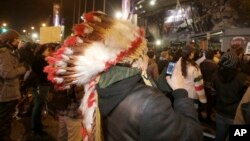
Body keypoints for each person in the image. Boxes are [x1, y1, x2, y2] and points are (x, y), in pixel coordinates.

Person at [44, 11, 203, 141]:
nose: (148, 58)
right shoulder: (151, 102)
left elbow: (142, 96)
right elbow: (192, 136)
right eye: (145, 54)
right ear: (136, 62)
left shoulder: (101, 84)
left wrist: (164, 83)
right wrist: (181, 94)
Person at [212, 52, 250, 141]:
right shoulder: (243, 78)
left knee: (219, 136)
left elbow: (213, 93)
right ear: (235, 63)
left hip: (220, 112)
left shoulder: (215, 75)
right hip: (235, 115)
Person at [0, 29, 29, 141]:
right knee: (4, 121)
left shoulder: (10, 52)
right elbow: (7, 73)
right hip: (6, 93)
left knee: (6, 120)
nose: (19, 42)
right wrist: (23, 69)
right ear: (11, 40)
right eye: (17, 39)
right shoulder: (5, 53)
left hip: (8, 92)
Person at [180, 45, 207, 112]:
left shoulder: (179, 65)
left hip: (182, 93)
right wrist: (203, 99)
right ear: (191, 53)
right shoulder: (194, 68)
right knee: (192, 114)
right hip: (192, 94)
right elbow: (198, 85)